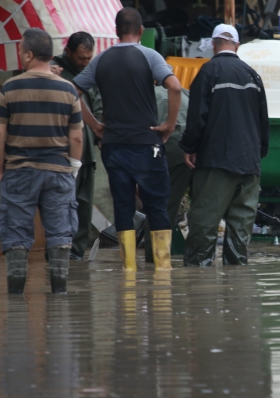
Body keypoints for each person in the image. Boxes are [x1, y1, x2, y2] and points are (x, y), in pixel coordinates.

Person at [72, 7, 182, 271]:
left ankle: (129, 270)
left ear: (115, 31)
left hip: (114, 146)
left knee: (123, 206)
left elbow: (72, 91)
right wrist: (169, 124)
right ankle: (163, 271)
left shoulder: (101, 60)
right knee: (156, 205)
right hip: (146, 144)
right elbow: (176, 86)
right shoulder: (149, 55)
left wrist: (95, 125)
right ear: (141, 31)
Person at [0, 28, 84, 294]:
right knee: (60, 234)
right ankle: (59, 296)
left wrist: (1, 169)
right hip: (58, 171)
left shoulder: (10, 87)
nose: (20, 56)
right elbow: (76, 138)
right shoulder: (68, 89)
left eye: (21, 51)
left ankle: (16, 301)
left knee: (16, 234)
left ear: (29, 54)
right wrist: (73, 169)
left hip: (19, 170)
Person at [179, 24, 269, 267]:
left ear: (214, 44)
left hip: (216, 161)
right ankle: (237, 284)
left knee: (204, 222)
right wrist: (257, 154)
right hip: (249, 164)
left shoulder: (208, 72)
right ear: (237, 46)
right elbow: (263, 121)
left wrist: (190, 147)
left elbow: (196, 118)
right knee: (241, 229)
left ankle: (198, 282)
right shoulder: (253, 75)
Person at [51, 32, 103, 261]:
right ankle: (58, 250)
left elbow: (99, 103)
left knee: (84, 203)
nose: (85, 62)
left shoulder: (90, 72)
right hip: (62, 150)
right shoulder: (53, 69)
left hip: (88, 150)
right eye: (81, 58)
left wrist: (101, 132)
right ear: (68, 52)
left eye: (88, 58)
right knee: (62, 202)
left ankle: (77, 253)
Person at [144, 86, 191, 262]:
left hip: (160, 153)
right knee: (167, 206)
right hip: (184, 153)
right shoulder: (184, 93)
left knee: (159, 207)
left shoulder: (145, 94)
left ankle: (155, 258)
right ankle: (162, 258)